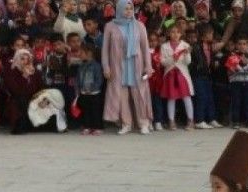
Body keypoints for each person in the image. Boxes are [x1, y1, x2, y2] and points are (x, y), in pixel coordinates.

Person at [102, 0, 154, 135]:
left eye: (130, 9)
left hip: (137, 65)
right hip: (118, 66)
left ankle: (144, 123)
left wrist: (148, 66)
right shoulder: (110, 26)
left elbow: (145, 47)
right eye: (125, 9)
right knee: (122, 96)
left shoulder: (139, 26)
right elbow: (105, 49)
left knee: (140, 95)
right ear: (119, 10)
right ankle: (126, 123)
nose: (129, 11)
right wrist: (106, 67)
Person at [161, 24, 194, 131]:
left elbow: (188, 62)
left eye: (177, 32)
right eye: (172, 32)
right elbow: (163, 62)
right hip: (170, 74)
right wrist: (172, 59)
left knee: (186, 97)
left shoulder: (185, 45)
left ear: (181, 34)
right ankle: (171, 120)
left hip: (182, 75)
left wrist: (187, 54)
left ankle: (190, 120)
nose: (175, 34)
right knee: (171, 98)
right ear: (168, 34)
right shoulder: (164, 46)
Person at [3, 48, 44, 134]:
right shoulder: (12, 71)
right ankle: (20, 126)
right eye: (22, 59)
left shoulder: (35, 71)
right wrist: (24, 76)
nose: (25, 61)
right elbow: (16, 90)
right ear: (17, 59)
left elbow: (40, 87)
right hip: (17, 98)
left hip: (33, 97)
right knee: (20, 100)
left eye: (28, 59)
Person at [226, 34, 248, 129]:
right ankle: (235, 121)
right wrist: (239, 66)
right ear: (236, 45)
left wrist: (246, 63)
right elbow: (231, 69)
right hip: (236, 82)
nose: (242, 46)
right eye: (240, 44)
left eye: (244, 44)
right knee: (236, 102)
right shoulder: (232, 56)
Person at [75, 43, 104, 135]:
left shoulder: (96, 66)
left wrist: (92, 88)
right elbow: (78, 79)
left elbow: (99, 80)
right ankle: (87, 126)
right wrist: (78, 90)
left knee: (95, 111)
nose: (79, 54)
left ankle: (97, 127)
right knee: (85, 111)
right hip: (83, 92)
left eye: (81, 52)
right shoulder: (81, 66)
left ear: (89, 53)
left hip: (94, 93)